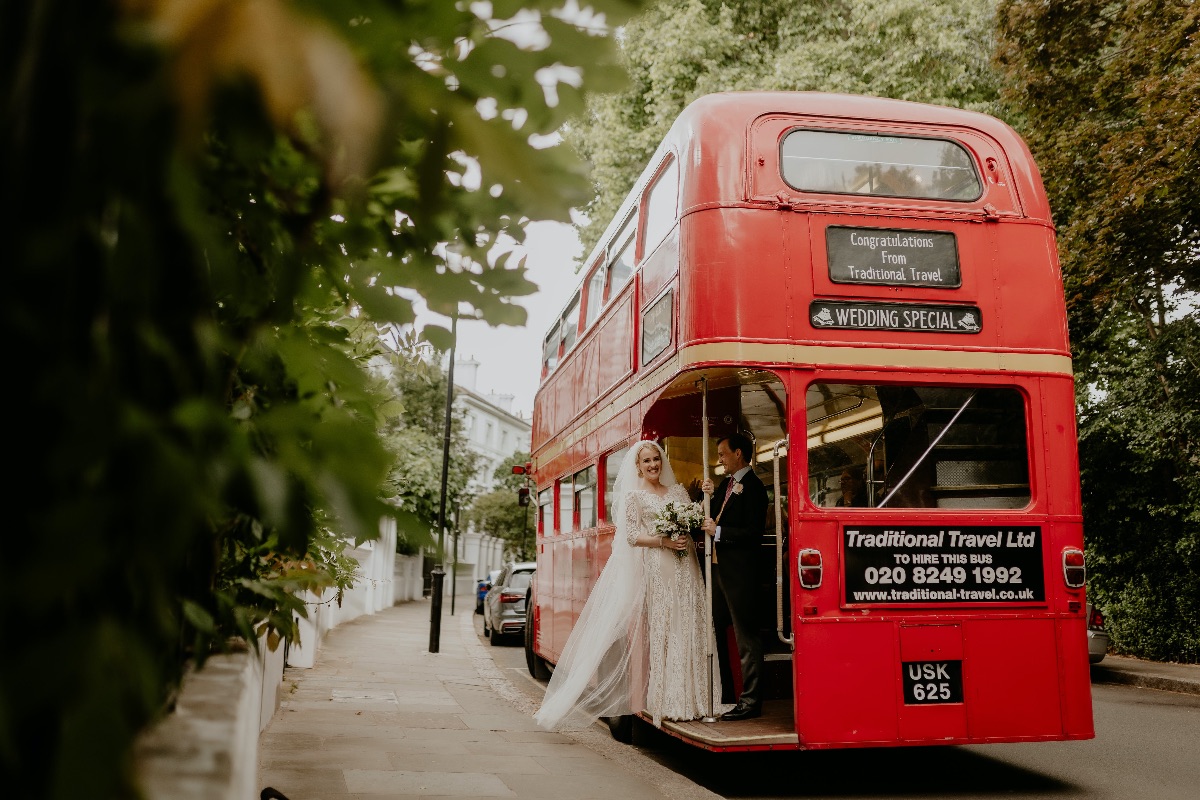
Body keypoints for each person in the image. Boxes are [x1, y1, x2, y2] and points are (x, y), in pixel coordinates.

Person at [534, 440, 732, 730]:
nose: (653, 465)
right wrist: (664, 541)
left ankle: (699, 698)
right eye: (647, 461)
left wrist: (705, 498)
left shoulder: (676, 491)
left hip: (686, 564)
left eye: (656, 459)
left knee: (692, 623)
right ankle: (672, 700)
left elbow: (697, 520)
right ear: (638, 467)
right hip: (660, 565)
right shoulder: (634, 497)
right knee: (669, 626)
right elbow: (632, 537)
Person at [701, 432, 769, 721]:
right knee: (715, 630)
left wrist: (718, 532)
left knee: (746, 638)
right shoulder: (726, 485)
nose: (719, 459)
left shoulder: (754, 488)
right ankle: (726, 693)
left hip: (741, 574)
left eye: (722, 454)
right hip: (719, 571)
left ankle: (751, 701)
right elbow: (713, 517)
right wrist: (706, 495)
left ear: (738, 453)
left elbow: (754, 533)